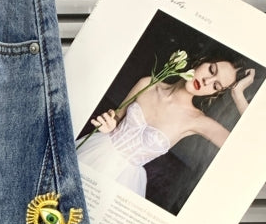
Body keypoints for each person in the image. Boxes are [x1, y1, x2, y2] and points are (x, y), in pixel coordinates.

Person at [77, 55, 255, 196]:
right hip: (97, 152)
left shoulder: (197, 120)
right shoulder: (148, 83)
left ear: (214, 93)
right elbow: (116, 116)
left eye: (216, 85)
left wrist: (238, 95)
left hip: (124, 181)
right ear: (201, 61)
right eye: (211, 70)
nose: (207, 82)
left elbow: (247, 150)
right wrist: (110, 123)